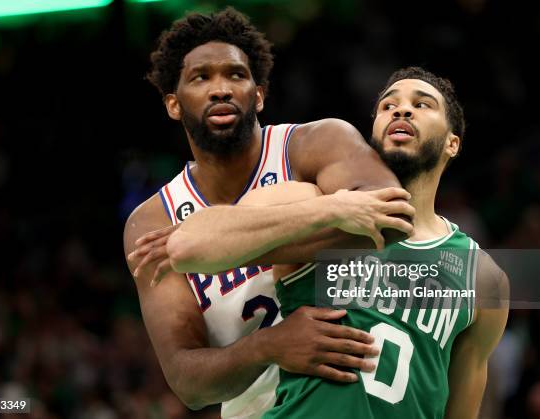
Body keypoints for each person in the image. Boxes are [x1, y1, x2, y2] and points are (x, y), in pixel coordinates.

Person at [151, 67, 510, 418]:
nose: (401, 110)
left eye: (422, 104)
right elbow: (188, 245)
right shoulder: (313, 201)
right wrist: (334, 208)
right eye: (388, 106)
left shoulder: (482, 277)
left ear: (452, 143)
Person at [124, 8, 415, 418]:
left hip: (353, 395)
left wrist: (221, 249)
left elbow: (395, 218)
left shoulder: (314, 145)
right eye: (200, 78)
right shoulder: (153, 220)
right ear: (174, 104)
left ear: (258, 95)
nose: (220, 89)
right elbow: (187, 381)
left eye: (236, 75)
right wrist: (270, 346)